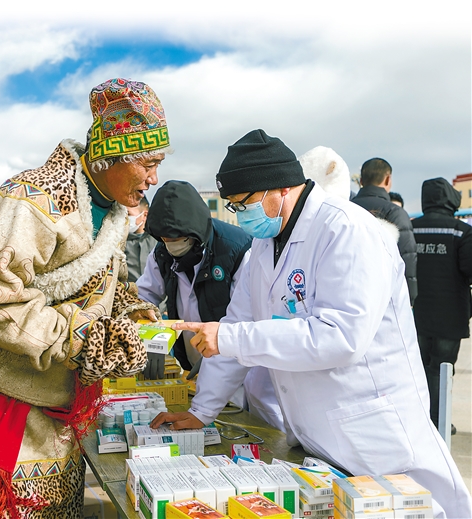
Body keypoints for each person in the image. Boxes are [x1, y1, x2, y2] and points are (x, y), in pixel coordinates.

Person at [152, 129, 471, 518]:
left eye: (243, 203)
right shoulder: (263, 247)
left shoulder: (347, 230)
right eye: (233, 207)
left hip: (375, 435)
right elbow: (236, 324)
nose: (240, 214)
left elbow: (341, 336)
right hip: (316, 437)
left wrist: (232, 338)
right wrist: (201, 410)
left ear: (281, 188)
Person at [0, 78, 168, 518]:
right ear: (111, 156)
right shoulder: (32, 199)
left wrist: (128, 310)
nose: (153, 180)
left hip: (53, 399)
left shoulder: (114, 212)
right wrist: (83, 340)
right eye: (148, 164)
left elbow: (101, 283)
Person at [136, 180, 283, 429]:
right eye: (165, 239)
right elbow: (146, 293)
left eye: (179, 239)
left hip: (239, 367)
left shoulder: (236, 250)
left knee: (246, 422)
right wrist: (143, 310)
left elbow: (240, 322)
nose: (172, 244)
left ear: (196, 233)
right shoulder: (162, 253)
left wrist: (205, 405)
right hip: (194, 362)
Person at [411, 178, 472, 432]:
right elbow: (468, 270)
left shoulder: (412, 228)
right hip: (450, 315)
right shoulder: (460, 231)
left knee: (420, 368)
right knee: (443, 369)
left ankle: (422, 418)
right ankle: (440, 421)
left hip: (418, 314)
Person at [351, 158, 418, 304]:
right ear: (388, 180)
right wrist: (410, 298)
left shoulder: (345, 209)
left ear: (361, 181)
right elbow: (407, 257)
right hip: (384, 298)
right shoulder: (395, 212)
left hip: (349, 293)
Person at [125, 196, 157, 282]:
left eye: (128, 214)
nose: (125, 219)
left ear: (144, 215)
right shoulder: (119, 243)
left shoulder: (158, 241)